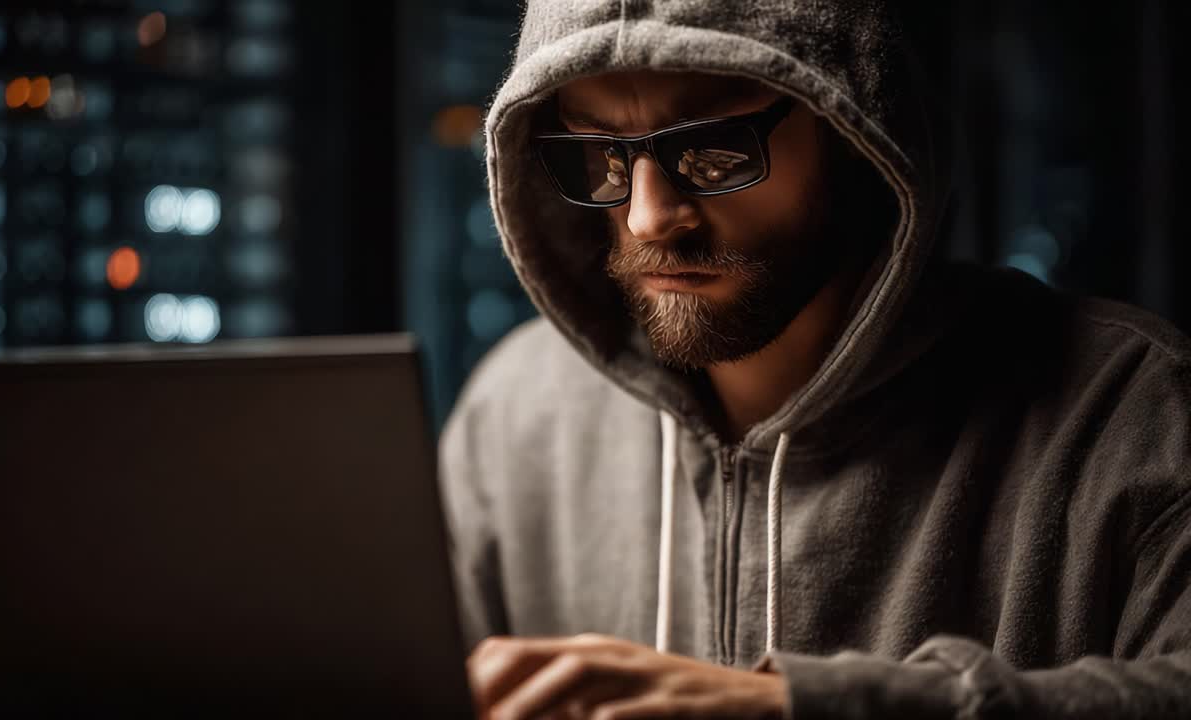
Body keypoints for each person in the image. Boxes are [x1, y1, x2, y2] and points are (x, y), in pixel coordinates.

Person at [439, 1, 1191, 718]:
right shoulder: (514, 417)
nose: (648, 215)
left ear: (852, 128)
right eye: (600, 155)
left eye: (714, 149)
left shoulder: (1130, 407)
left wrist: (800, 707)